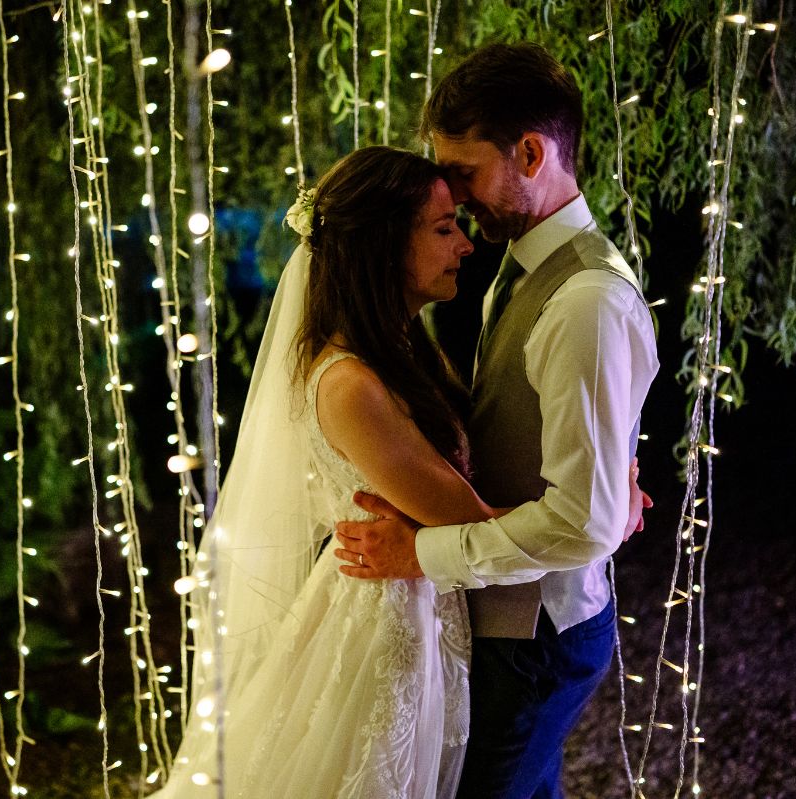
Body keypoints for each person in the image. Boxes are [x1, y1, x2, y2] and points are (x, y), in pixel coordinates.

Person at [333, 43, 660, 798]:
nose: (455, 198)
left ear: (533, 151)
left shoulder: (586, 301)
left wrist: (423, 552)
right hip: (508, 621)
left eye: (464, 173)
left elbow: (582, 524)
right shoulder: (516, 274)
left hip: (536, 631)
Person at [154, 145, 520, 798]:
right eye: (443, 228)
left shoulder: (404, 351)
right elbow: (467, 516)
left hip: (420, 602)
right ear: (382, 247)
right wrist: (588, 507)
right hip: (384, 629)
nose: (464, 245)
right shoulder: (351, 383)